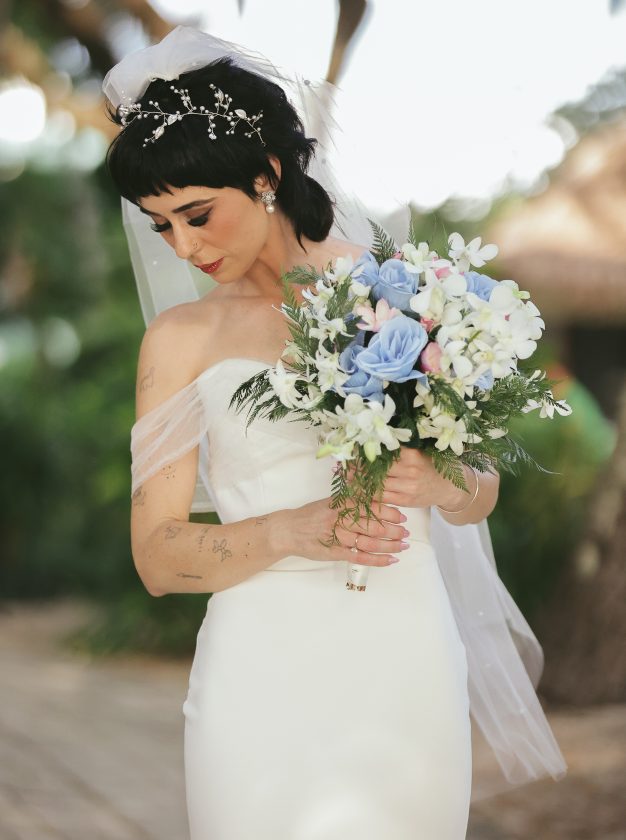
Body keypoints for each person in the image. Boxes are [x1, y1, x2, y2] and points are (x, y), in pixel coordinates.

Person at [103, 26, 567, 840]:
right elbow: (157, 556)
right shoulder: (178, 341)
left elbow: (478, 491)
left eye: (197, 215)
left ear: (267, 174)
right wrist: (292, 528)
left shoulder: (408, 293)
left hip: (401, 653)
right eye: (161, 226)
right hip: (259, 665)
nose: (184, 246)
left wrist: (440, 483)